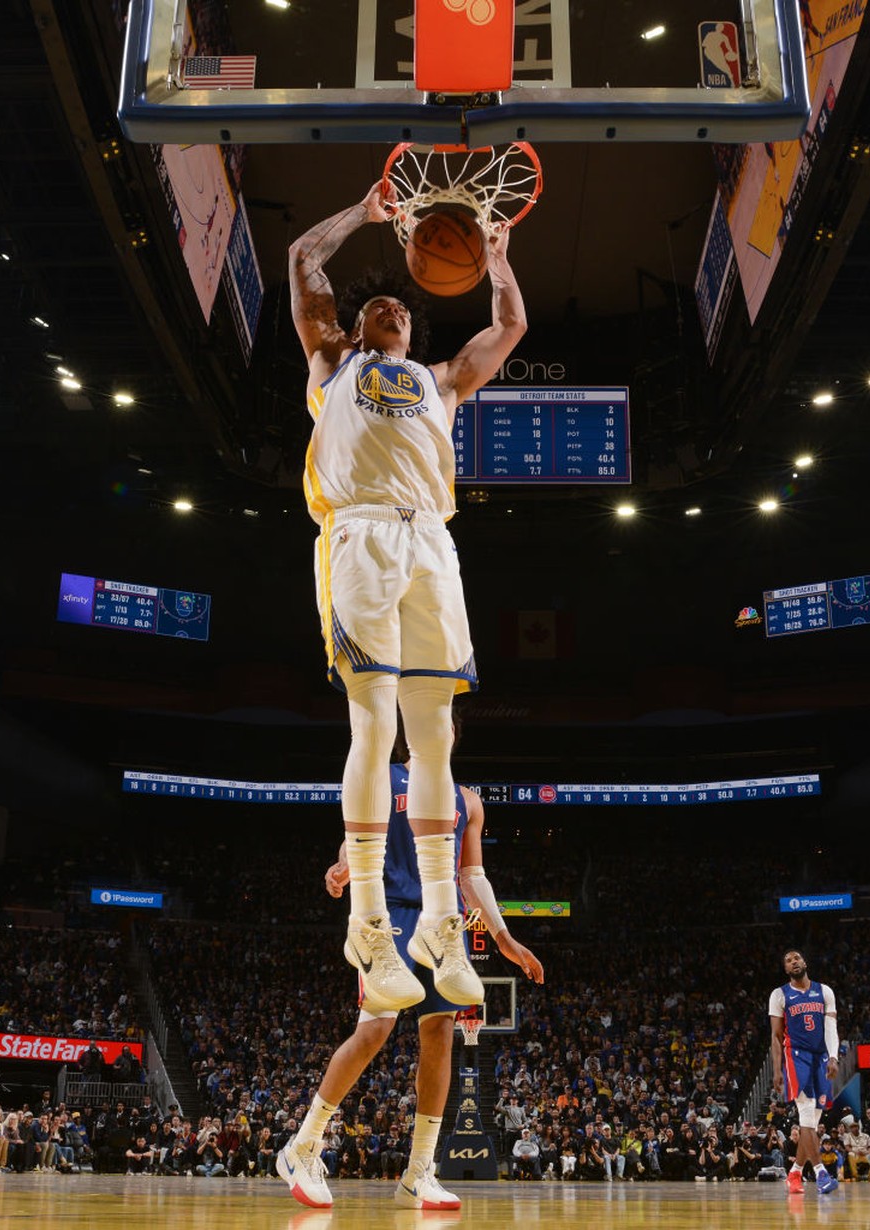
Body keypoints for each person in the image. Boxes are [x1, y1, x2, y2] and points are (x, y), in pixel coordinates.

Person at [287, 179, 527, 1016]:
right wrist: (363, 211)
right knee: (375, 721)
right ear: (357, 327)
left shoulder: (440, 380)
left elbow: (509, 328)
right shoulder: (331, 363)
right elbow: (302, 259)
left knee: (435, 737)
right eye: (380, 302)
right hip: (359, 535)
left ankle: (435, 922)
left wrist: (496, 262)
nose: (394, 304)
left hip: (432, 539)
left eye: (402, 303)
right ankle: (368, 925)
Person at [276, 737, 543, 1209]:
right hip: (391, 911)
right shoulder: (383, 778)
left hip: (444, 920)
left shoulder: (468, 801)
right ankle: (304, 1145)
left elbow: (471, 875)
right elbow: (358, 832)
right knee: (377, 1026)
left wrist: (503, 938)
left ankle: (419, 1171)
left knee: (440, 1033)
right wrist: (343, 865)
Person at [768, 949, 840, 1195]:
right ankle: (821, 1173)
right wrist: (776, 1070)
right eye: (788, 961)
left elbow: (831, 1027)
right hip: (796, 1056)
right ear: (786, 969)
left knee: (812, 1122)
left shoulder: (824, 991)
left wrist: (833, 1056)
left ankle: (795, 1173)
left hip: (821, 1057)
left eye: (796, 957)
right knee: (807, 1115)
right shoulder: (779, 995)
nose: (793, 962)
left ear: (805, 962)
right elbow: (776, 1037)